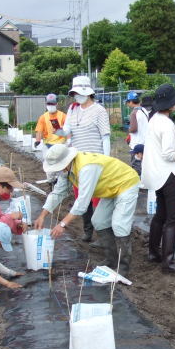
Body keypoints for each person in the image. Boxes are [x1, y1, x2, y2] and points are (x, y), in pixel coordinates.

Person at [33, 145, 140, 276]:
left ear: (66, 161)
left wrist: (62, 224)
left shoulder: (87, 167)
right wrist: (42, 215)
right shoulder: (66, 171)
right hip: (110, 188)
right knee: (99, 221)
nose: (57, 170)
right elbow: (57, 193)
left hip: (126, 183)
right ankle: (111, 260)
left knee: (119, 224)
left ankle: (123, 266)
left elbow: (82, 203)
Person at [142, 84, 175, 274]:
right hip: (169, 175)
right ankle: (169, 262)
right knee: (173, 219)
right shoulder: (167, 124)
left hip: (156, 175)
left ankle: (154, 253)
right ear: (171, 104)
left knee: (160, 215)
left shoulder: (154, 119)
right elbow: (168, 154)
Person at [61, 75, 111, 243]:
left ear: (88, 93)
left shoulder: (99, 110)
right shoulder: (72, 109)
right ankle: (88, 231)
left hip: (95, 160)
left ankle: (102, 234)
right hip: (77, 162)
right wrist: (63, 133)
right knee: (82, 198)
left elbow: (105, 137)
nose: (76, 96)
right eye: (74, 93)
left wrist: (106, 161)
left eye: (79, 93)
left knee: (97, 199)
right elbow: (67, 129)